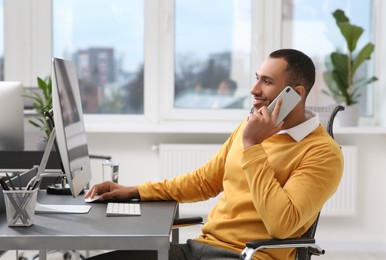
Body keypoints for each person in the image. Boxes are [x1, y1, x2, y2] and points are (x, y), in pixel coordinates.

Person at [85, 49, 344, 260]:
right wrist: (134, 191)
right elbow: (203, 181)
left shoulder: (322, 153)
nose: (254, 90)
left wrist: (253, 146)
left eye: (267, 82)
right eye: (256, 78)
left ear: (296, 94)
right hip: (198, 249)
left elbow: (282, 224)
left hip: (248, 256)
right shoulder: (249, 128)